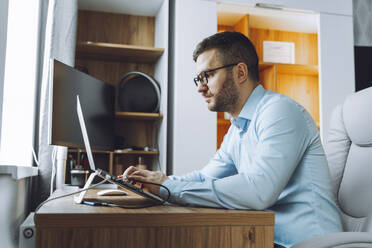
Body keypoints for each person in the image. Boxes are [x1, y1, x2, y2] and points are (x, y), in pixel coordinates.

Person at [123, 31, 342, 247]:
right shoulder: (238, 128)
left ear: (240, 72)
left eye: (207, 75)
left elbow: (258, 190)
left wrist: (167, 187)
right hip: (268, 239)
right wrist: (158, 182)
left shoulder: (279, 111)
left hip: (309, 242)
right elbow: (205, 177)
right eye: (198, 79)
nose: (200, 88)